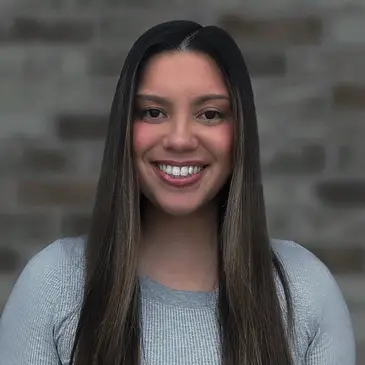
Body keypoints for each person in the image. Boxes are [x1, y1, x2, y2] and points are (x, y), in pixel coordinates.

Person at [0, 20, 356, 365]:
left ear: (240, 132)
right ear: (125, 127)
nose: (180, 139)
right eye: (154, 112)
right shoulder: (54, 286)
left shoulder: (306, 292)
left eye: (210, 114)